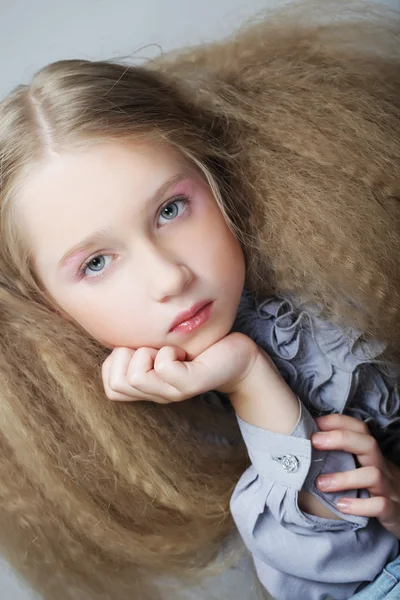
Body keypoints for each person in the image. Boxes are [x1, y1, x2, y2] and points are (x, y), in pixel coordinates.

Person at [0, 1, 399, 599]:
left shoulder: (344, 285)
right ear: (50, 308)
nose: (168, 278)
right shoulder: (123, 430)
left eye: (169, 210)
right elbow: (338, 581)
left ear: (214, 175)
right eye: (97, 263)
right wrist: (246, 375)